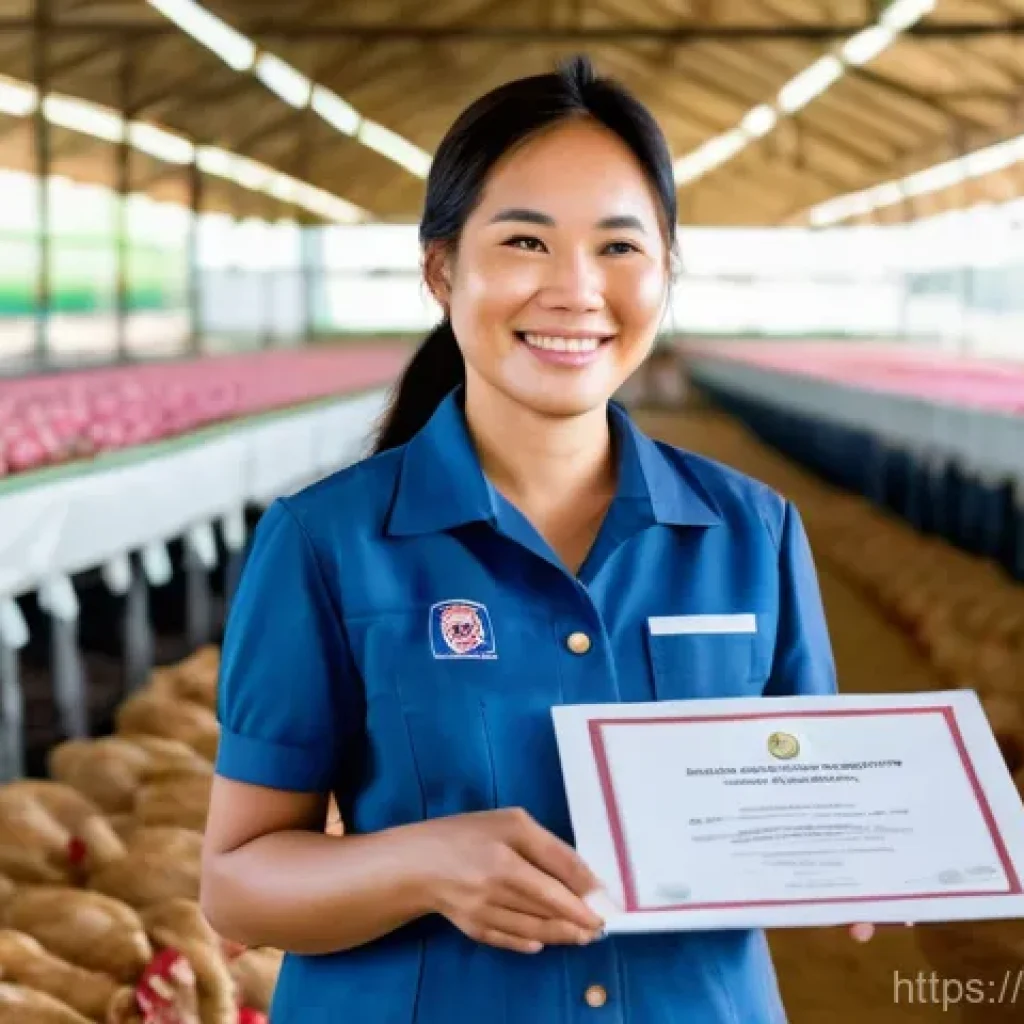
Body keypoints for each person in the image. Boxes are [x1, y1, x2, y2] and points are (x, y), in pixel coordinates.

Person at [200, 55, 877, 1023]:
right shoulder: (324, 541)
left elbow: (808, 800)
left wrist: (867, 851)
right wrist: (419, 864)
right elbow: (236, 882)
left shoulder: (752, 533)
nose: (574, 289)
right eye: (524, 240)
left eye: (617, 247)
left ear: (665, 271)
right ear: (441, 269)